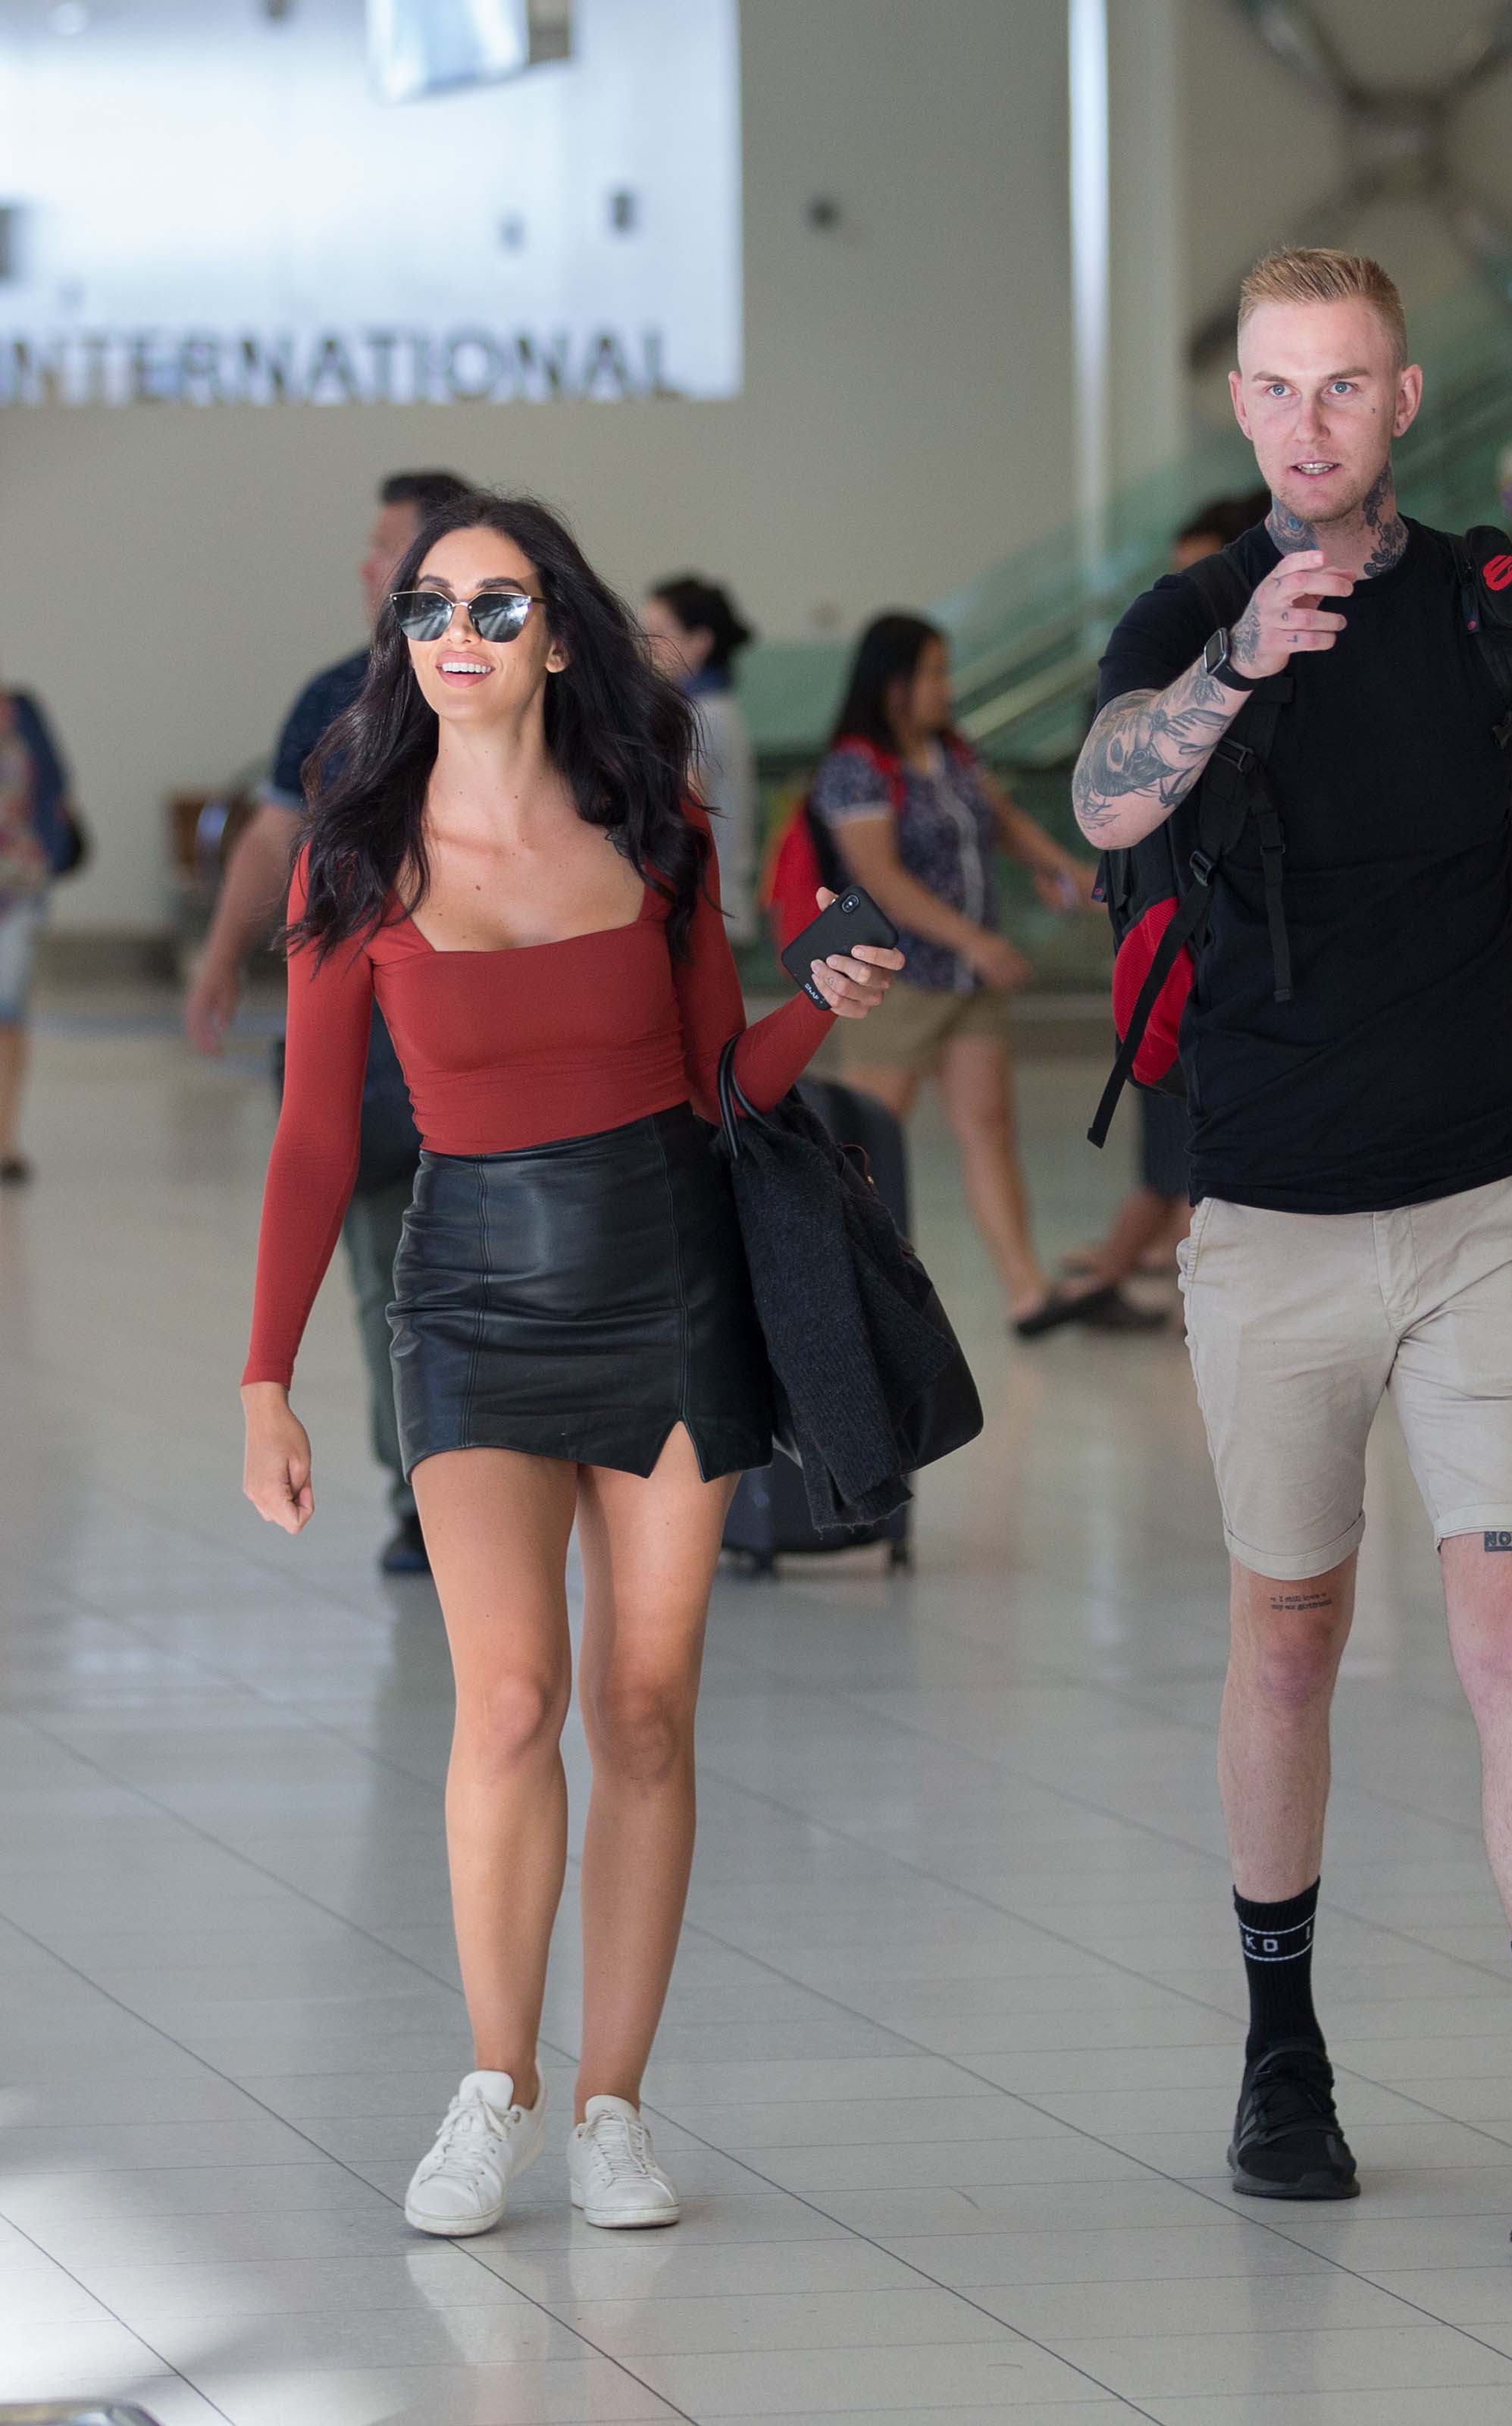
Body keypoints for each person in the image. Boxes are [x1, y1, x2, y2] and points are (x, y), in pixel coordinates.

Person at [1073, 247, 1512, 2250]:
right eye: (1274, 389)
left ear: (1405, 399)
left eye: (1342, 387)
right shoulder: (1186, 617)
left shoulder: (1491, 616)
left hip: (1482, 1213)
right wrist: (1236, 661)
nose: (1307, 423)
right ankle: (1281, 2055)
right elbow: (1106, 805)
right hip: (1261, 1219)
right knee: (1289, 1630)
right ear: (1241, 408)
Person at [239, 492, 900, 2240]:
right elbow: (315, 1138)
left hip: (672, 1294)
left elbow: (719, 1085)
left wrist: (819, 1000)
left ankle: (613, 2103)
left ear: (556, 630)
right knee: (513, 1700)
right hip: (464, 1305)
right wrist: (264, 1380)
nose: (456, 636)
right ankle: (495, 2085)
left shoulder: (657, 829)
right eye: (430, 609)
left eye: (496, 606)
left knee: (647, 1714)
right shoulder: (357, 852)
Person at [187, 469, 474, 1574]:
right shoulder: (333, 699)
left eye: (388, 546)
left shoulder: (518, 693)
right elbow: (273, 841)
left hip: (499, 1057)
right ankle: (420, 1490)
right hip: (375, 1059)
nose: (369, 567)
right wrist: (221, 956)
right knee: (386, 1279)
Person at [813, 612, 1157, 1337]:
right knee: (861, 1146)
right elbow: (877, 877)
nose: (946, 685)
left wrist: (1085, 879)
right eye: (934, 671)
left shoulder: (952, 753)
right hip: (893, 980)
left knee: (989, 1129)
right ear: (894, 681)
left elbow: (1007, 828)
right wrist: (972, 940)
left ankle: (1026, 1290)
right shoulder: (855, 766)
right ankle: (834, 1295)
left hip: (970, 984)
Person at [1065, 493, 1271, 1297]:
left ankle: (1150, 1267)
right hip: (1161, 935)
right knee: (1164, 1107)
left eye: (1205, 566)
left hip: (1227, 942)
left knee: (1185, 1134)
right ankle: (1152, 1264)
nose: (1185, 587)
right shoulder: (1157, 658)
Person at [641, 575, 759, 945]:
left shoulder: (699, 716)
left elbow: (677, 811)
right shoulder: (718, 709)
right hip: (717, 905)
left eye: (660, 633)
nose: (647, 646)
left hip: (703, 911)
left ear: (700, 642)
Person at [0, 682, 80, 1183]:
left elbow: (56, 785)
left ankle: (6, 1140)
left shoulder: (23, 711)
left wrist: (47, 852)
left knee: (7, 1008)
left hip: (20, 886)